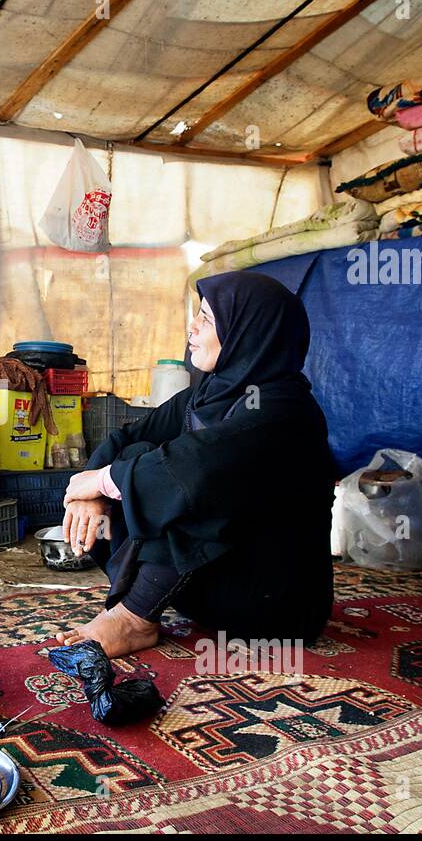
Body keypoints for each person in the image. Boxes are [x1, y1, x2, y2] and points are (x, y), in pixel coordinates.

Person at [57, 271, 336, 658]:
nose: (192, 327)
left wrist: (105, 481)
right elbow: (126, 438)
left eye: (206, 319)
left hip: (272, 608)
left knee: (188, 481)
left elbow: (198, 469)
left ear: (248, 331)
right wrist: (90, 492)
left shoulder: (283, 410)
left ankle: (135, 618)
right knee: (137, 458)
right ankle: (142, 605)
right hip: (208, 593)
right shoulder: (207, 392)